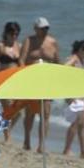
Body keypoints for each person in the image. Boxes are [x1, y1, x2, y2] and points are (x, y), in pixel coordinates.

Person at [18, 17, 59, 153]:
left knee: (45, 113)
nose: (45, 31)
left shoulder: (52, 42)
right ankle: (27, 140)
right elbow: (21, 61)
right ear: (36, 28)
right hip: (32, 81)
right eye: (42, 28)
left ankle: (42, 145)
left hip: (47, 82)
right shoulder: (29, 41)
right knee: (30, 113)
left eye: (47, 28)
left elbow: (57, 63)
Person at [62, 40, 84, 161]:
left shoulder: (83, 60)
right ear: (82, 49)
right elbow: (64, 67)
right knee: (75, 123)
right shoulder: (74, 58)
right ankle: (67, 149)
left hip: (82, 94)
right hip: (74, 94)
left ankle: (83, 151)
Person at [0, 21, 24, 143]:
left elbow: (20, 63)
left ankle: (6, 129)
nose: (14, 36)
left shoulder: (18, 46)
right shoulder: (0, 46)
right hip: (3, 81)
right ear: (6, 33)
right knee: (8, 109)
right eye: (12, 33)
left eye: (16, 33)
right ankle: (7, 137)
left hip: (15, 81)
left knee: (19, 112)